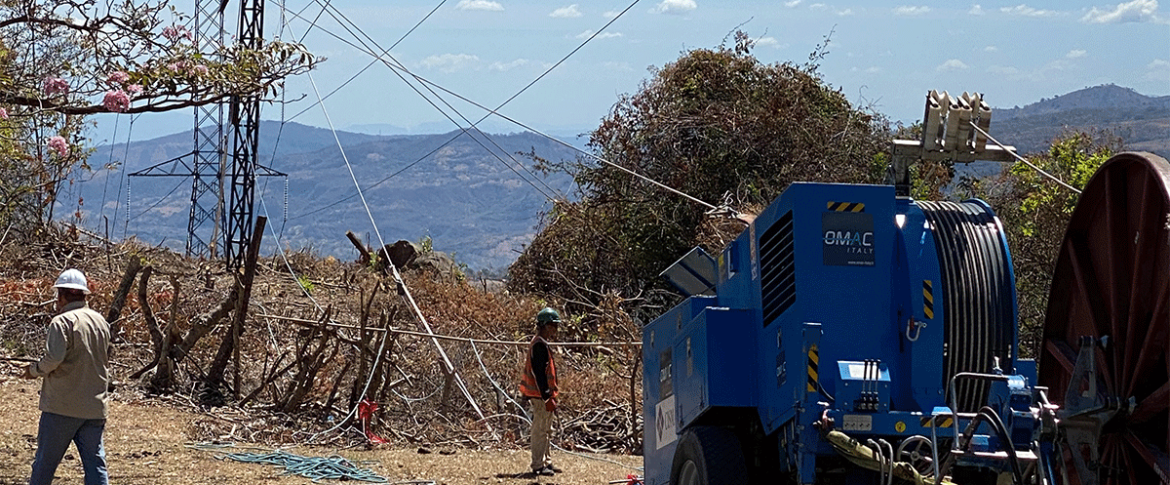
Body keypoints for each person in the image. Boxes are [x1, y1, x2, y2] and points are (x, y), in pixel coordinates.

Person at [21, 269, 111, 485]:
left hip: (62, 407)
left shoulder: (62, 322)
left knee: (44, 464)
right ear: (84, 295)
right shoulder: (100, 322)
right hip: (95, 407)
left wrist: (33, 370)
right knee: (95, 465)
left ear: (60, 296)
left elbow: (53, 359)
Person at [519, 307, 562, 477]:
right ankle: (538, 464)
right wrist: (546, 397)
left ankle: (546, 461)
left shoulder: (542, 343)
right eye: (553, 325)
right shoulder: (539, 346)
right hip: (540, 396)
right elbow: (538, 373)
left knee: (546, 430)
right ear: (545, 325)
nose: (555, 330)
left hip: (544, 395)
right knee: (540, 430)